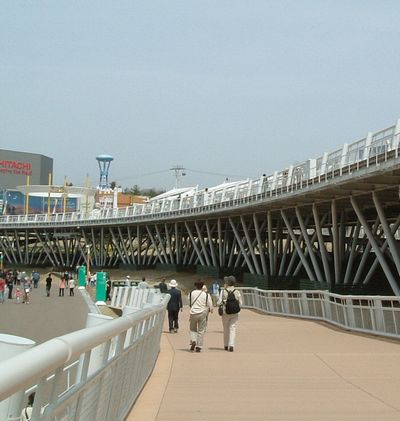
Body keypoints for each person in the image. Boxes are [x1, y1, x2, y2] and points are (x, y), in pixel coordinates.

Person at [217, 275, 243, 352]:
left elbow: (219, 302)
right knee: (232, 328)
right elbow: (241, 303)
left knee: (225, 329)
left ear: (227, 282)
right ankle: (231, 345)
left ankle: (226, 345)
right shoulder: (237, 291)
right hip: (235, 313)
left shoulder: (223, 291)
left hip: (226, 312)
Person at [188, 280, 213, 352]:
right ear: (202, 286)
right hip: (202, 313)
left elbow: (189, 302)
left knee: (192, 328)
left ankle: (193, 340)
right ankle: (199, 346)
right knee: (201, 330)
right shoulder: (206, 295)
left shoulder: (191, 293)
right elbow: (209, 304)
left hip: (193, 312)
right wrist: (210, 309)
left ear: (195, 286)